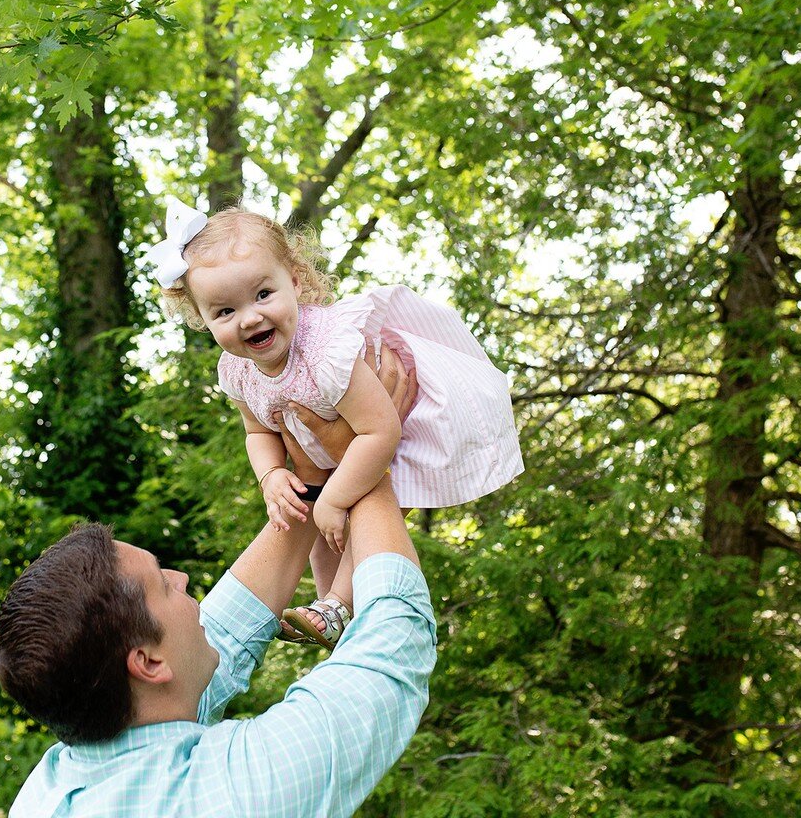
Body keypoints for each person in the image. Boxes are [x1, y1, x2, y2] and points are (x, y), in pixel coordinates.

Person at [0, 351, 435, 817]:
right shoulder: (237, 790)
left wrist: (312, 477)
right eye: (164, 585)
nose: (181, 578)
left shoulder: (57, 784)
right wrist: (364, 455)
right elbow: (393, 641)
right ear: (146, 661)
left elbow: (221, 637)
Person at [150, 198, 522, 648]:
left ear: (294, 280)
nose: (249, 317)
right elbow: (258, 431)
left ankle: (337, 607)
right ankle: (329, 611)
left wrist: (335, 497)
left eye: (263, 294)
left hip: (395, 429)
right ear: (203, 320)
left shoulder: (325, 350)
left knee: (345, 508)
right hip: (336, 450)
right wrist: (270, 474)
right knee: (318, 525)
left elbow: (380, 432)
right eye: (224, 311)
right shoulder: (237, 370)